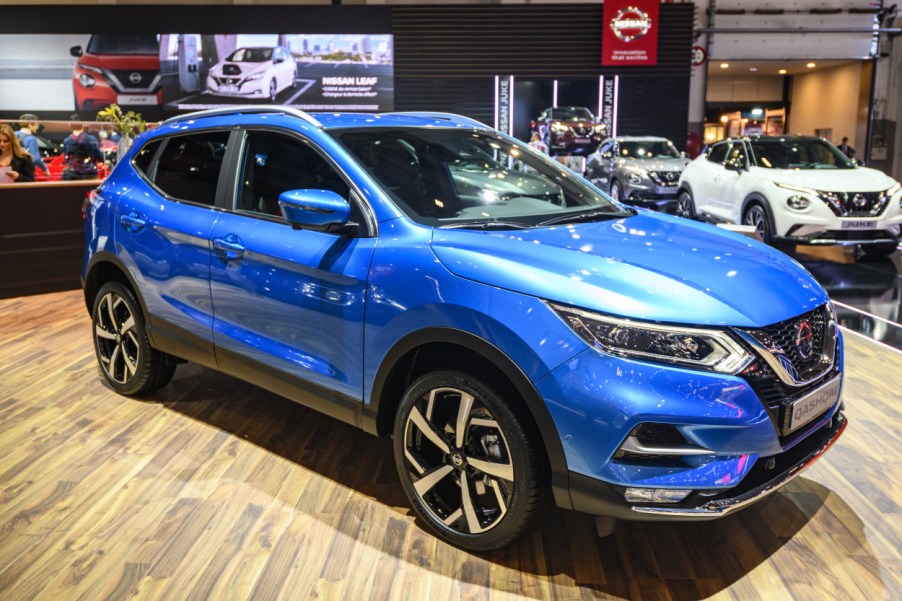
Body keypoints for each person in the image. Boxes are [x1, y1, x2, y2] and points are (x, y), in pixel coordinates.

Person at [62, 114, 103, 180]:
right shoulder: (92, 139)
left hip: (73, 176)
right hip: (90, 175)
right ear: (83, 124)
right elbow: (100, 156)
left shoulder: (66, 141)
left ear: (69, 124)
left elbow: (66, 160)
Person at [16, 113, 50, 178]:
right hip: (25, 172)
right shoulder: (31, 138)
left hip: (14, 169)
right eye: (36, 125)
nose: (37, 127)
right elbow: (36, 159)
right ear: (30, 124)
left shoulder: (13, 134)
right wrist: (45, 169)